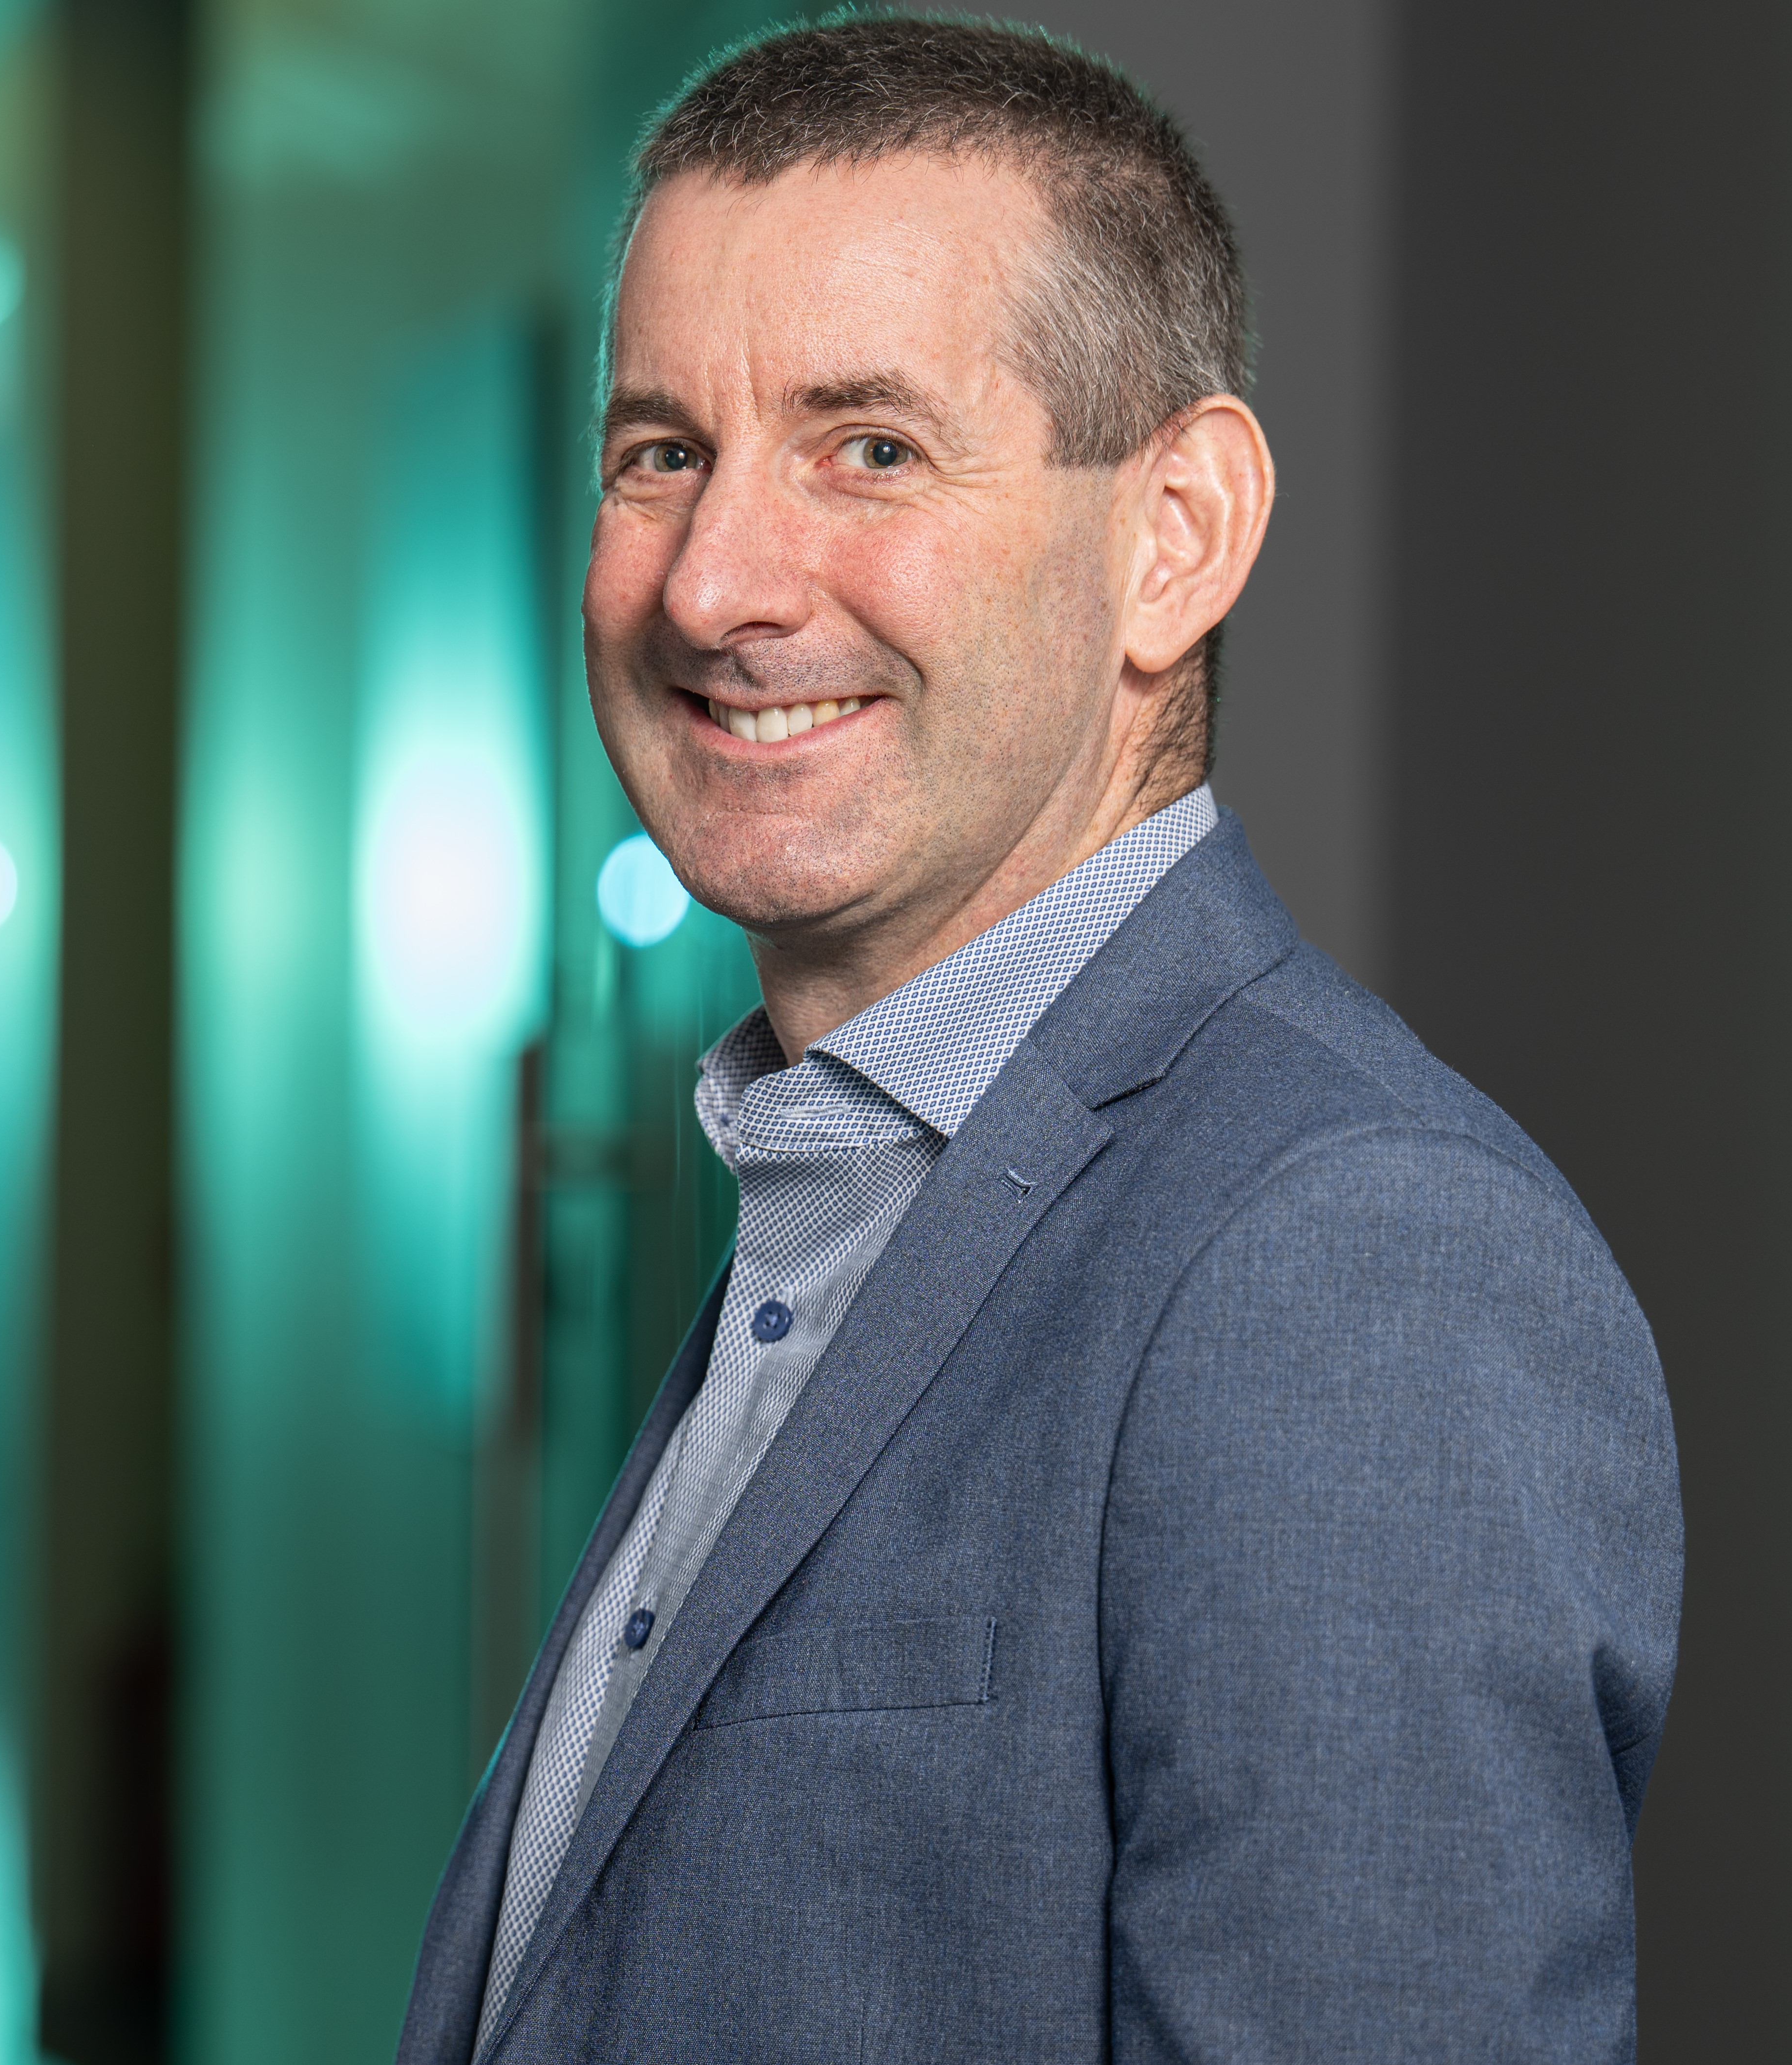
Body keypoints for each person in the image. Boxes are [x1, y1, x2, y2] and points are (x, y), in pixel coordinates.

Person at [399, 19, 1678, 2062]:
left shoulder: (1347, 1265)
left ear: (1171, 535)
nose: (714, 583)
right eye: (661, 454)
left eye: (870, 448)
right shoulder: (832, 1192)